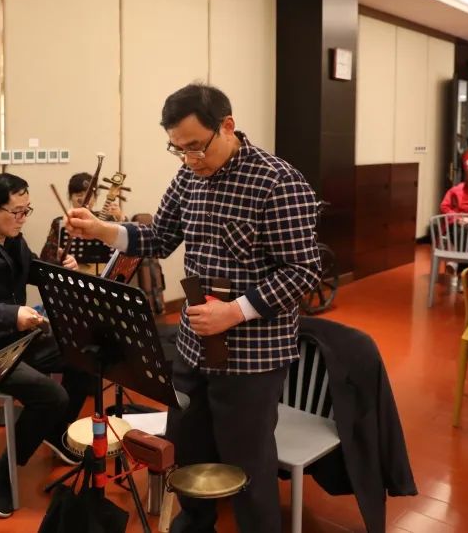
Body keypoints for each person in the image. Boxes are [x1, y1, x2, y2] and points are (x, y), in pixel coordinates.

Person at [66, 83, 320, 533]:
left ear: (227, 126)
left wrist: (236, 311)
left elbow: (303, 271)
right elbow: (159, 237)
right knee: (188, 449)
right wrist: (102, 230)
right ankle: (195, 524)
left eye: (196, 146)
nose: (189, 159)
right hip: (193, 346)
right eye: (178, 149)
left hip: (253, 356)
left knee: (247, 464)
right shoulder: (187, 177)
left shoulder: (278, 182)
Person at [0, 173, 93, 519]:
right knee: (52, 395)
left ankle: (54, 433)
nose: (23, 218)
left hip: (17, 340)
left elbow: (31, 271)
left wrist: (60, 268)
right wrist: (12, 315)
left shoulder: (12, 238)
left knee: (86, 356)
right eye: (17, 212)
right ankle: (1, 468)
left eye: (27, 210)